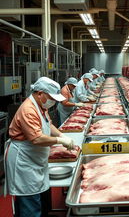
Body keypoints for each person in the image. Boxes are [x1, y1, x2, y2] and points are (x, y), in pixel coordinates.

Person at [4, 77, 75, 217]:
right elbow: (36, 139)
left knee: (33, 199)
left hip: (34, 158)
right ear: (40, 93)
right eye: (51, 98)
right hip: (24, 160)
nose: (53, 102)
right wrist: (60, 141)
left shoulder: (41, 107)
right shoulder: (28, 109)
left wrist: (62, 135)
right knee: (29, 200)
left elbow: (49, 125)